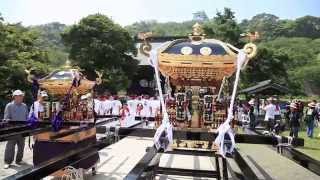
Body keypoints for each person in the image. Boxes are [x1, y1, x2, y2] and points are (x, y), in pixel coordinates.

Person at [3, 90, 29, 169]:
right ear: (14, 97)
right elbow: (6, 118)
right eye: (18, 96)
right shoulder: (9, 106)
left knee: (21, 146)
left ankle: (19, 160)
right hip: (12, 130)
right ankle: (7, 162)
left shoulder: (24, 106)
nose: (20, 97)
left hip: (22, 130)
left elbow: (27, 117)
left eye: (21, 96)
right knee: (10, 147)